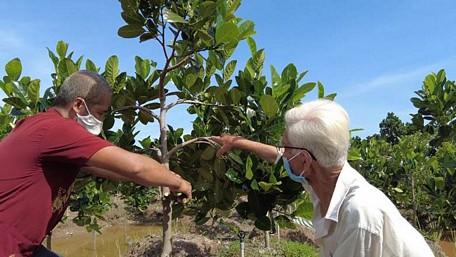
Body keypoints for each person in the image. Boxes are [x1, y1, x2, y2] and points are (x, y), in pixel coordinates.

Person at [0, 71, 192, 257]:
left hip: (22, 245)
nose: (101, 120)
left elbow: (109, 168)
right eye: (101, 112)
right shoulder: (57, 129)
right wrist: (180, 183)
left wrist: (163, 179)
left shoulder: (38, 124)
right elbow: (137, 167)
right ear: (78, 105)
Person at [212, 99, 435, 257]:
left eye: (286, 146)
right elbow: (278, 156)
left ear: (304, 161)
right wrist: (237, 142)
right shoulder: (323, 175)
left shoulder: (359, 216)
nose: (283, 151)